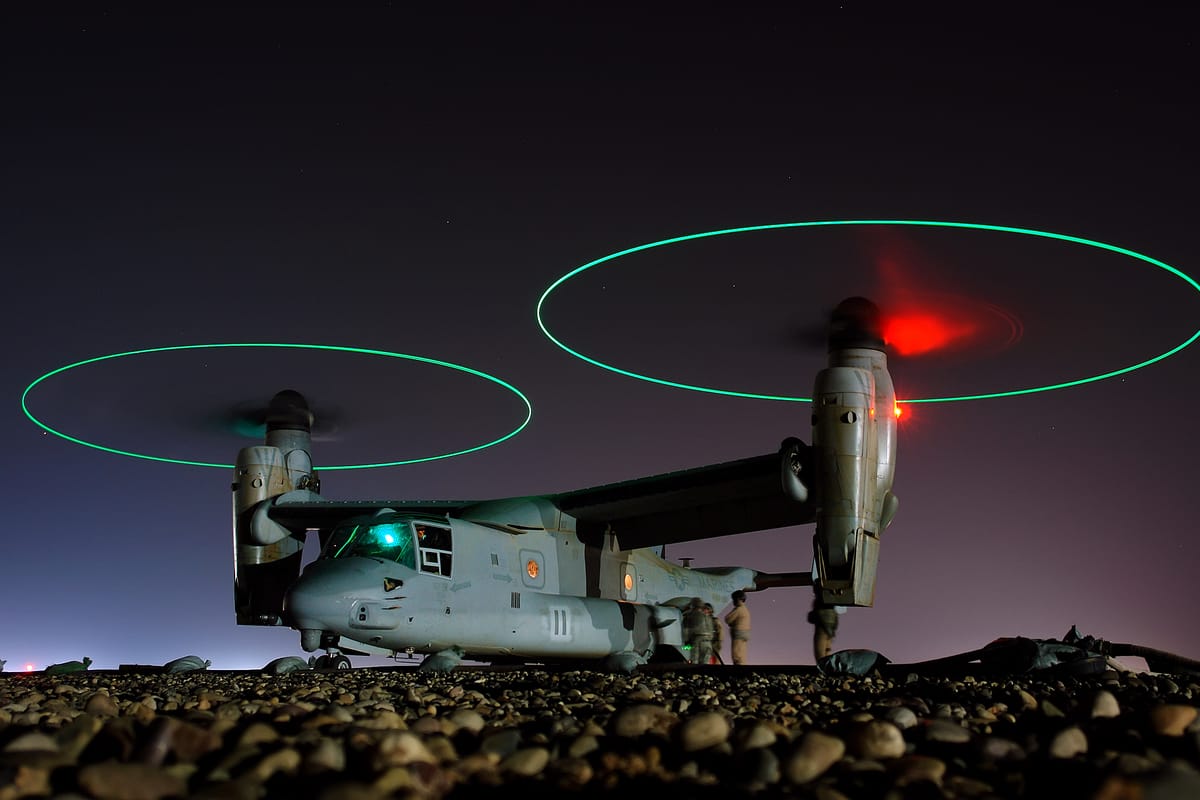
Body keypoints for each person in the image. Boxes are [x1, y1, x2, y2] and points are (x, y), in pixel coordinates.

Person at [724, 590, 751, 665]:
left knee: (737, 655)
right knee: (742, 655)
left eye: (734, 599)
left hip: (738, 634)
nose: (733, 601)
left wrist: (731, 624)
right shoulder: (745, 609)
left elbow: (727, 619)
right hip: (744, 634)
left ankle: (739, 672)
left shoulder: (739, 609)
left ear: (738, 599)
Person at [682, 597, 707, 664]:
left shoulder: (688, 615)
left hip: (693, 642)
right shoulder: (705, 616)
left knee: (693, 662)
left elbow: (686, 630)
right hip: (705, 642)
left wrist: (686, 644)